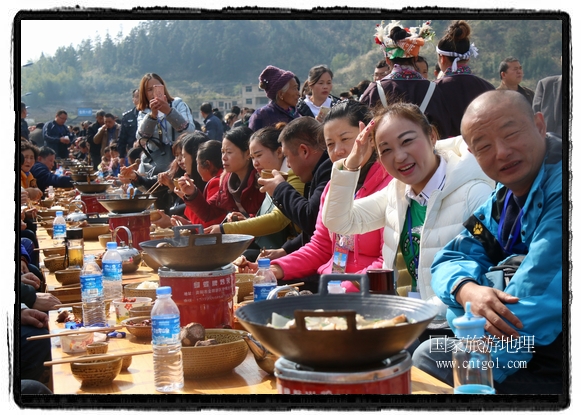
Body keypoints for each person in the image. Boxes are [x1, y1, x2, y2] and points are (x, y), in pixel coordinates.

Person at [412, 90, 563, 395]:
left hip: (553, 352)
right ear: (472, 153)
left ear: (539, 125)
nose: (502, 152)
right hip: (521, 342)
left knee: (428, 359)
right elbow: (451, 257)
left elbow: (528, 306)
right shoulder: (503, 201)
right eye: (484, 146)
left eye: (511, 134)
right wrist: (467, 290)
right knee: (416, 345)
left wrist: (471, 353)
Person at [322, 101, 494, 321]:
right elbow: (339, 221)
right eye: (386, 150)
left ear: (432, 136)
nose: (399, 156)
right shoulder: (397, 192)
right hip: (403, 321)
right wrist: (351, 165)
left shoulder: (474, 193)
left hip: (454, 326)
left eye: (407, 141)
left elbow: (489, 274)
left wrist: (417, 313)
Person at [250, 100, 393, 293]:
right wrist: (274, 269)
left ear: (369, 136)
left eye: (345, 139)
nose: (338, 151)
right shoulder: (333, 187)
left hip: (365, 295)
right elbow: (320, 247)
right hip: (331, 286)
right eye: (330, 144)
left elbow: (385, 262)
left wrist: (342, 290)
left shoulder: (390, 186)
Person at [205, 124, 305, 262]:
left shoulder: (293, 175)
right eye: (252, 157)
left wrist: (225, 229)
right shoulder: (269, 175)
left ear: (279, 152)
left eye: (258, 155)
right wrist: (246, 221)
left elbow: (277, 220)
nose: (255, 163)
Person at [256, 116, 332, 259]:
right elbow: (316, 230)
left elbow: (311, 220)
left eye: (287, 156)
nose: (288, 165)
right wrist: (285, 250)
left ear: (304, 151)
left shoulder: (329, 169)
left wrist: (280, 189)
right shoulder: (319, 170)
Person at [362, 20, 449, 139]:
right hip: (424, 149)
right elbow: (443, 129)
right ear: (416, 58)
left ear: (387, 59)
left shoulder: (375, 90)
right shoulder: (433, 89)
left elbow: (363, 129)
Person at [177, 126, 265, 225]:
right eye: (223, 152)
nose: (224, 157)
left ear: (248, 153)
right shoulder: (227, 181)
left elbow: (268, 218)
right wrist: (192, 193)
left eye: (229, 152)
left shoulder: (261, 180)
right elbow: (209, 213)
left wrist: (243, 222)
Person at [435, 20, 495, 137]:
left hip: (447, 148)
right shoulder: (488, 88)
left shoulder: (434, 89)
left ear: (442, 58)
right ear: (468, 58)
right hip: (482, 146)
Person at [135, 72, 196, 176]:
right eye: (149, 90)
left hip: (180, 161)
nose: (154, 92)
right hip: (155, 163)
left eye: (157, 87)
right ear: (144, 93)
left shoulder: (178, 104)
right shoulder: (144, 112)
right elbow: (141, 137)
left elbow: (190, 131)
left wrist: (169, 112)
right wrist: (152, 116)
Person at [171, 137, 224, 228]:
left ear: (207, 164)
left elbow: (207, 223)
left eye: (184, 156)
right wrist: (187, 224)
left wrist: (188, 196)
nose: (181, 161)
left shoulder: (217, 182)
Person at [248, 65, 301, 132]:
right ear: (281, 94)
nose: (298, 94)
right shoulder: (262, 115)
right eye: (294, 88)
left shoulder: (297, 113)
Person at [118, 89, 140, 163]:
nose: (140, 99)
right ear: (133, 100)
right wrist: (121, 156)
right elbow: (122, 138)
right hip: (132, 153)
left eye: (142, 96)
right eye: (137, 97)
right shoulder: (127, 117)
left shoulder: (151, 114)